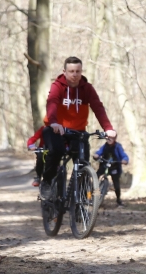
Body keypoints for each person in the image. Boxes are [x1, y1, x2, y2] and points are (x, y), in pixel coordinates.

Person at [40, 57, 115, 195]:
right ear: (64, 72)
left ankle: (80, 197)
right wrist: (54, 122)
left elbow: (98, 108)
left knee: (82, 162)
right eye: (71, 71)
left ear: (81, 72)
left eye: (78, 71)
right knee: (56, 151)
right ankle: (47, 181)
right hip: (56, 129)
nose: (74, 74)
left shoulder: (87, 89)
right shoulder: (57, 86)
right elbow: (52, 103)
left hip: (78, 132)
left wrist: (108, 128)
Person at [93, 132, 130, 206]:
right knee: (95, 179)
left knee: (116, 184)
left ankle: (118, 200)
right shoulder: (105, 146)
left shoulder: (118, 146)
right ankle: (91, 196)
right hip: (105, 164)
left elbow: (123, 155)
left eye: (111, 138)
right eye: (108, 137)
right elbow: (99, 152)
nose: (109, 139)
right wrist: (96, 155)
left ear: (115, 139)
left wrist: (125, 160)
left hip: (114, 166)